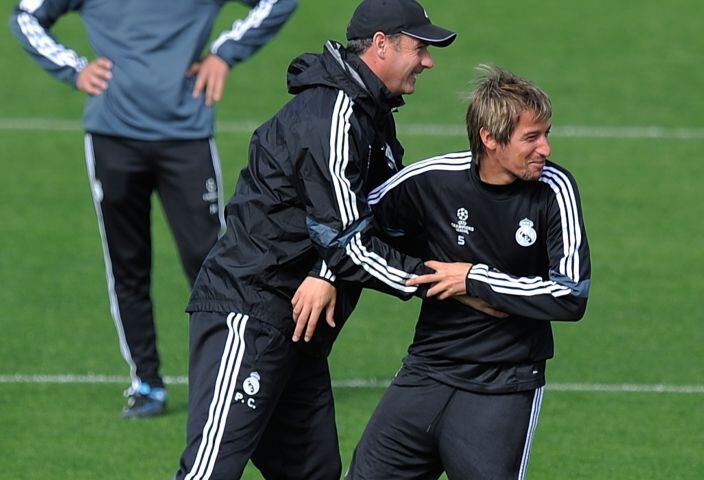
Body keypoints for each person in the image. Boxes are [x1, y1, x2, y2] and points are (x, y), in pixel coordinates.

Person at [175, 1, 457, 478]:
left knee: (314, 473)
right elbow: (349, 240)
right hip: (251, 314)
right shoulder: (333, 116)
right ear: (382, 45)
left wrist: (325, 273)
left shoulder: (371, 117)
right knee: (208, 473)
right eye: (419, 47)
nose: (427, 61)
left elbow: (374, 216)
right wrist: (443, 281)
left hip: (299, 329)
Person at [9, 0, 298, 418]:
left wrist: (224, 51)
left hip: (187, 139)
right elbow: (25, 14)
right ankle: (146, 382)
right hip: (112, 138)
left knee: (214, 265)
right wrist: (74, 69)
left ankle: (234, 376)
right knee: (127, 264)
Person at [343, 66, 592, 479]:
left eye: (546, 133)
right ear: (490, 139)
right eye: (531, 137)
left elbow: (570, 294)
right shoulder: (433, 180)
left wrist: (474, 278)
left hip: (504, 384)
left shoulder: (555, 190)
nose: (545, 148)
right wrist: (325, 274)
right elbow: (351, 227)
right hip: (427, 370)